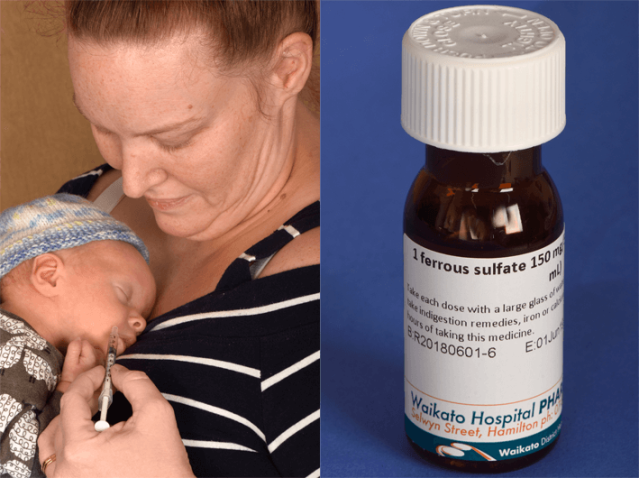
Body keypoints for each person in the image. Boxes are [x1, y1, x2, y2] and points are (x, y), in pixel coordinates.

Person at [37, 1, 320, 477]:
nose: (133, 182)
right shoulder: (86, 207)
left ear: (285, 70)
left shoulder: (318, 313)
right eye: (104, 126)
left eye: (174, 138)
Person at [0, 194, 156, 478]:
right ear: (49, 275)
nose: (140, 322)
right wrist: (71, 394)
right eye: (124, 294)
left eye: (144, 314)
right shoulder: (17, 350)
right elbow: (16, 464)